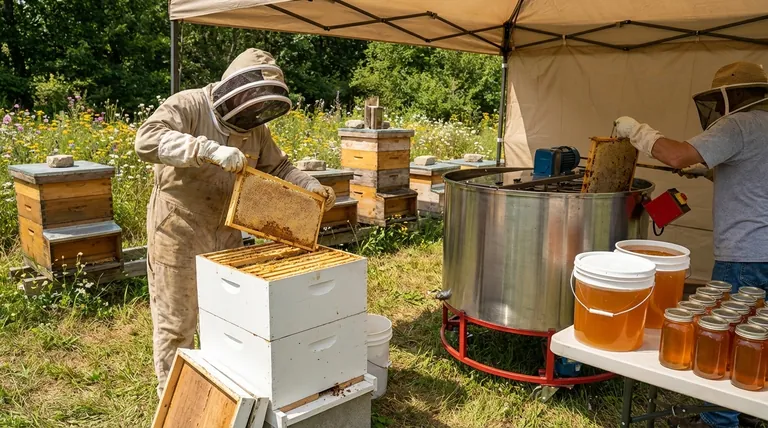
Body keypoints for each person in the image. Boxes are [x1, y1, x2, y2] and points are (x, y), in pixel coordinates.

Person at [134, 48, 336, 397]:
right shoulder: (188, 105)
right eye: (251, 101)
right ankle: (174, 395)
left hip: (228, 229)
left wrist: (311, 187)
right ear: (233, 88)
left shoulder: (256, 129)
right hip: (178, 225)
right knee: (176, 319)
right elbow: (147, 139)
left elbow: (279, 168)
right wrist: (206, 150)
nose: (255, 113)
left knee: (225, 316)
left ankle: (221, 388)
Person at [615, 61, 768, 428]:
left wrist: (637, 131)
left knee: (720, 337)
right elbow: (754, 177)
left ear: (734, 96)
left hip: (744, 254)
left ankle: (718, 421)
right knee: (754, 338)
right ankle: (748, 410)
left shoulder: (739, 124)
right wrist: (708, 169)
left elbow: (676, 154)